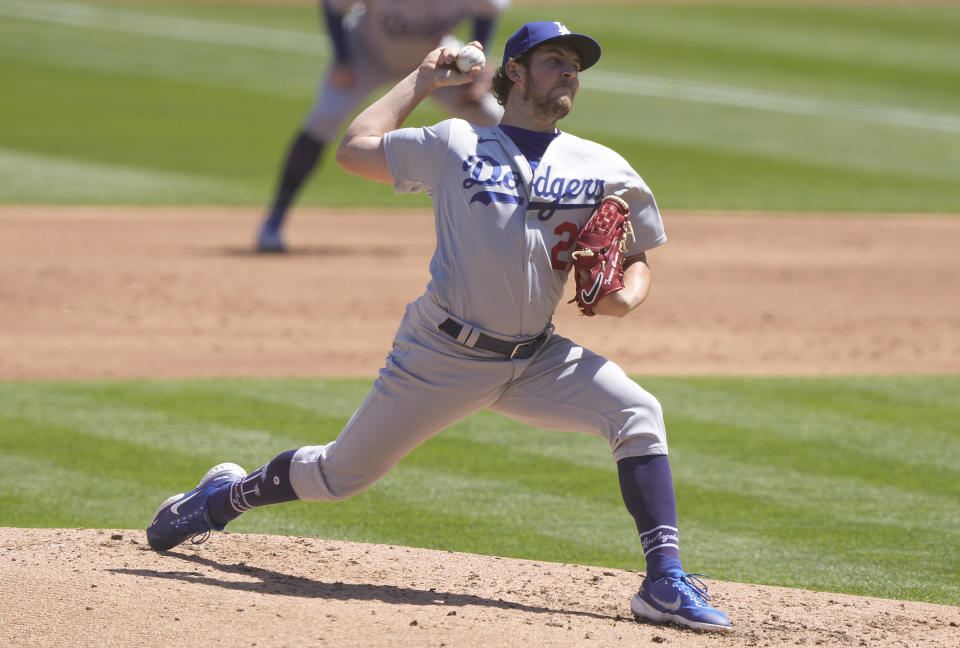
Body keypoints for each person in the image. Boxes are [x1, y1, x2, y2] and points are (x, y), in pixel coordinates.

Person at [149, 21, 733, 634]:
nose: (569, 73)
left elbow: (637, 255)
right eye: (555, 60)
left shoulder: (601, 165)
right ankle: (219, 499)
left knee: (637, 413)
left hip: (538, 358)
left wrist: (625, 300)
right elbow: (354, 149)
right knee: (337, 477)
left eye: (575, 66)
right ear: (515, 72)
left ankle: (664, 581)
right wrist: (425, 77)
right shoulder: (455, 143)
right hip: (441, 354)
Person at [256, 0, 509, 253]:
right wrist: (342, 59)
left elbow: (488, 12)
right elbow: (333, 6)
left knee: (496, 119)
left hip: (435, 61)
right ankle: (274, 220)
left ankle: (520, 218)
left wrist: (478, 66)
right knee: (323, 119)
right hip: (365, 56)